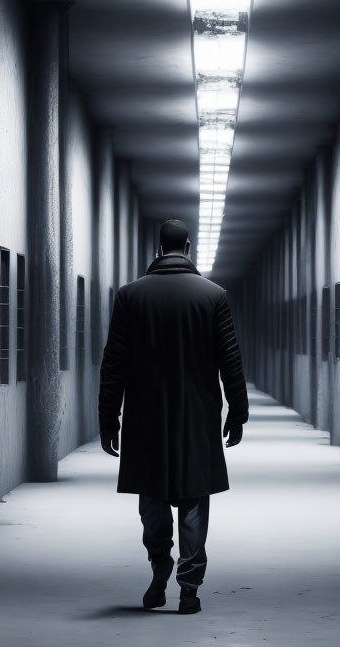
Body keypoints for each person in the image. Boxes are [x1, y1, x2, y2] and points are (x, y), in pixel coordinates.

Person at [98, 219, 249, 615]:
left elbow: (113, 362)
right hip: (197, 416)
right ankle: (189, 587)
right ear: (188, 245)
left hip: (146, 417)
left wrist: (108, 417)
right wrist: (238, 411)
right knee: (194, 499)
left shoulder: (130, 296)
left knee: (153, 497)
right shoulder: (213, 296)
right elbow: (229, 359)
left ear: (159, 247)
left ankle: (159, 561)